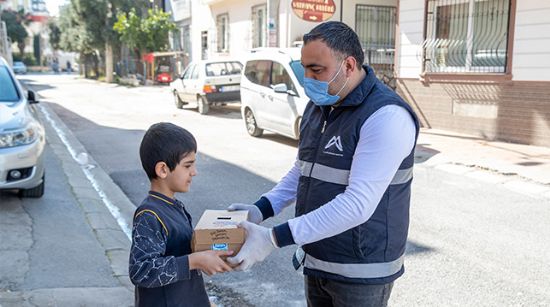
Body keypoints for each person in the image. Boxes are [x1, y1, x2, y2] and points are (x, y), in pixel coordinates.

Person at [227, 21, 420, 307]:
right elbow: (303, 170)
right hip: (318, 260)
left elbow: (357, 204)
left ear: (349, 65)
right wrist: (262, 208)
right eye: (304, 67)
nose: (308, 78)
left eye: (317, 70)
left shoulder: (386, 116)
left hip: (360, 271)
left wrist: (273, 238)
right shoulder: (319, 107)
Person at [129, 122, 233, 307]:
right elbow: (141, 271)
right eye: (187, 166)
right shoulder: (149, 215)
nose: (194, 172)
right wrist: (194, 261)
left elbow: (182, 257)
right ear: (163, 169)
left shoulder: (174, 206)